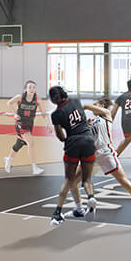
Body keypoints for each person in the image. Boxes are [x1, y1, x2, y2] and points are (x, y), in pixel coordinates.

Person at [83, 96, 131, 227]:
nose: (93, 107)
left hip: (107, 154)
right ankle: (91, 203)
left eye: (95, 104)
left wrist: (80, 107)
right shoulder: (89, 121)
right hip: (92, 154)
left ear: (102, 106)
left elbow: (86, 107)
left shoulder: (106, 115)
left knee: (124, 182)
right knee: (80, 179)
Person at [47, 85, 98, 228]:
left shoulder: (56, 114)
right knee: (86, 179)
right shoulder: (76, 101)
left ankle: (57, 213)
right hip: (88, 140)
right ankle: (91, 197)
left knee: (69, 179)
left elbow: (60, 135)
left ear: (53, 99)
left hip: (73, 144)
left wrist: (66, 140)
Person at [4, 81, 45, 175]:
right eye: (30, 87)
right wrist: (15, 114)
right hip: (20, 123)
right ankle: (34, 168)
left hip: (29, 124)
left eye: (34, 87)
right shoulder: (20, 97)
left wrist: (48, 123)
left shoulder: (38, 99)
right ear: (26, 89)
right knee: (31, 142)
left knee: (20, 143)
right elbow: (9, 103)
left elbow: (43, 113)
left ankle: (9, 159)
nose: (32, 89)